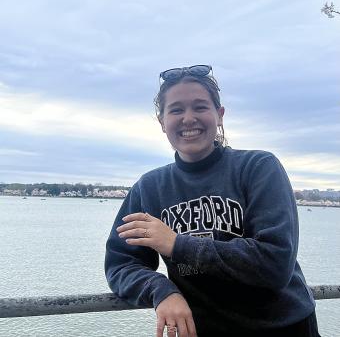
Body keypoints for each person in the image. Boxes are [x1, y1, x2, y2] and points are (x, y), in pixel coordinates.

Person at [105, 65, 320, 337]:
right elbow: (121, 263)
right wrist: (160, 291)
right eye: (176, 110)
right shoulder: (149, 188)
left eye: (200, 107)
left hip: (284, 327)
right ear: (161, 122)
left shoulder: (259, 167)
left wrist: (175, 244)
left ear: (219, 115)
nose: (188, 118)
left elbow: (274, 263)